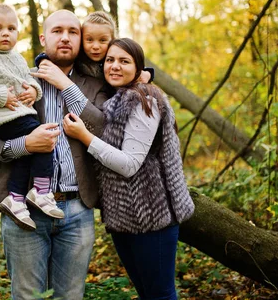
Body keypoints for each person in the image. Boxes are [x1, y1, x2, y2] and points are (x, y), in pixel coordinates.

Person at [0, 10, 109, 300]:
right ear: (42, 37)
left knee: (71, 296)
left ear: (81, 39)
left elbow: (101, 127)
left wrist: (68, 87)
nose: (65, 37)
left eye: (73, 32)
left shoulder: (95, 84)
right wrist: (25, 144)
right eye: (57, 31)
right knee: (27, 296)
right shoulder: (16, 75)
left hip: (77, 208)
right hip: (23, 206)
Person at [63, 38, 195, 300]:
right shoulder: (117, 99)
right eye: (110, 60)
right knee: (146, 293)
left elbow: (129, 165)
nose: (114, 66)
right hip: (124, 218)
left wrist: (84, 137)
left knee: (160, 295)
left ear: (138, 68)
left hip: (153, 218)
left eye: (124, 61)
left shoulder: (144, 99)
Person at [0, 4, 64, 231]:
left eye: (11, 28)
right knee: (47, 139)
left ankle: (16, 199)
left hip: (20, 115)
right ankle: (41, 191)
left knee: (26, 155)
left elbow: (29, 82)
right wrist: (0, 95)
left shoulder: (17, 58)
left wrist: (33, 91)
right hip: (4, 120)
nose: (5, 33)